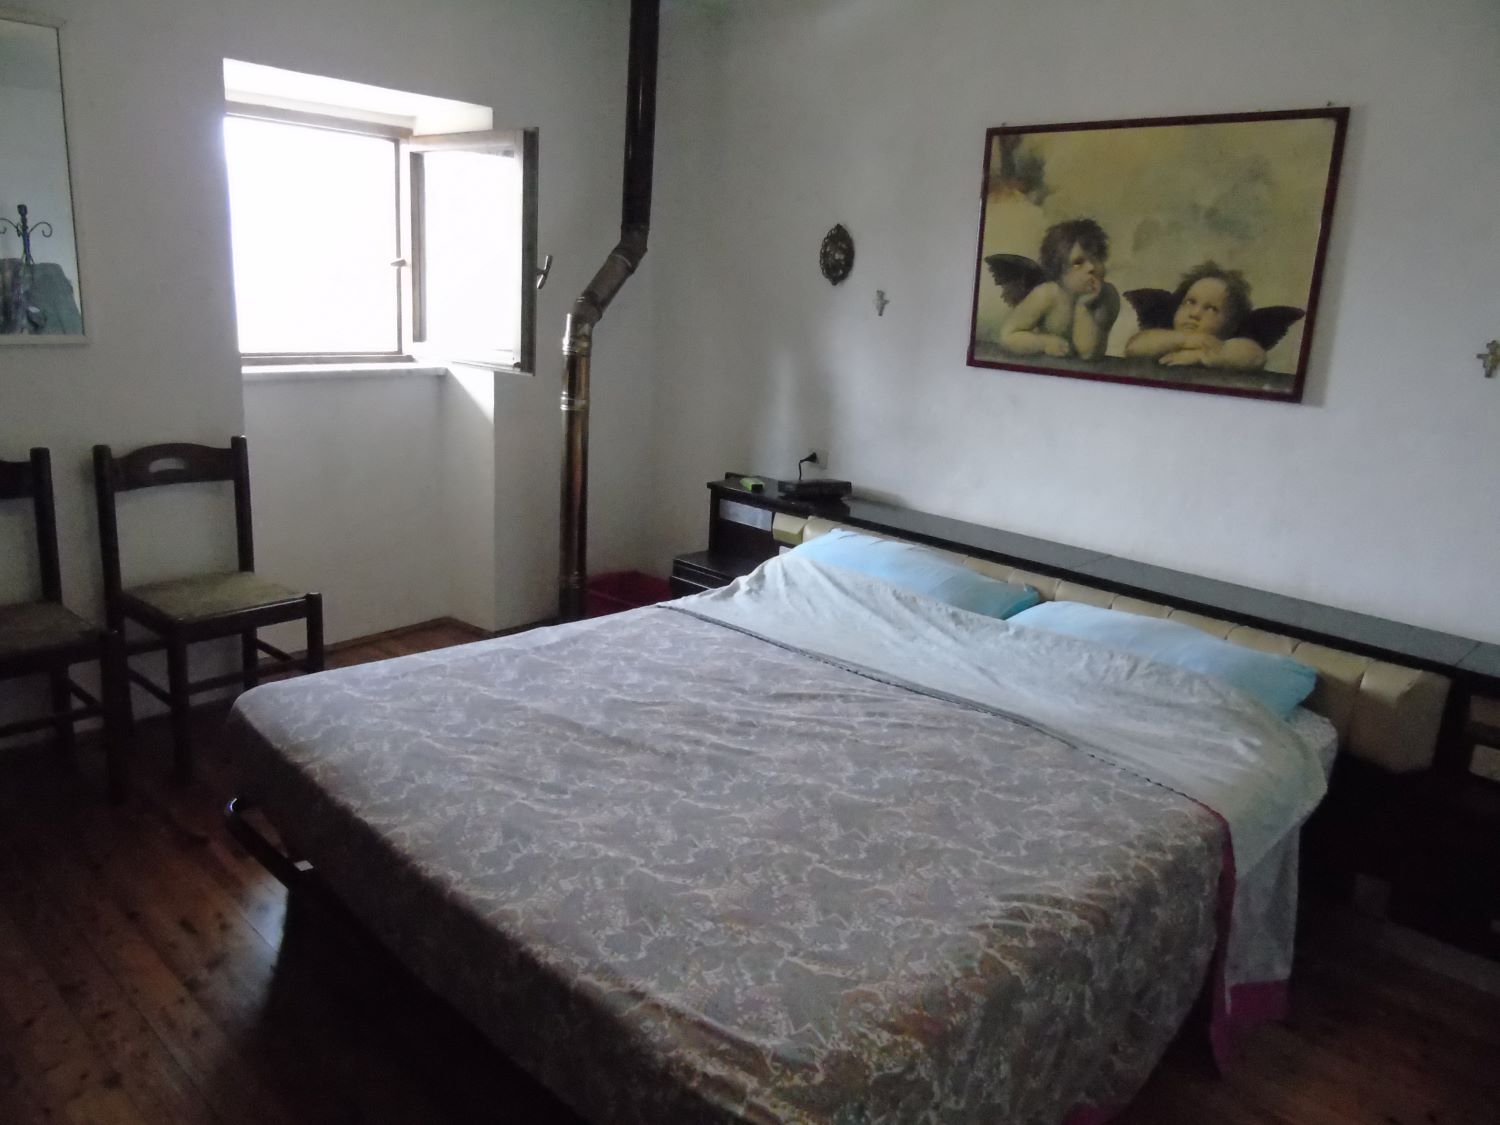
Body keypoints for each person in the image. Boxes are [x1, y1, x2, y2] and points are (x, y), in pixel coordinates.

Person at [996, 219, 1120, 360]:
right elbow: (1008, 336)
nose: (1091, 267)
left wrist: (1083, 306)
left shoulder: (1107, 296)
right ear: (1058, 272)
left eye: (1096, 258)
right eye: (1078, 263)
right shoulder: (1047, 295)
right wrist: (1043, 343)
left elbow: (1088, 354)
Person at [1124, 262, 1269, 370]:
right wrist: (1186, 340)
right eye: (1190, 302)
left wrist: (1201, 356)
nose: (1194, 314)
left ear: (1231, 324)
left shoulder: (1229, 347)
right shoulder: (1163, 341)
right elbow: (1134, 347)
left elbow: (1256, 357)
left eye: (1211, 309)